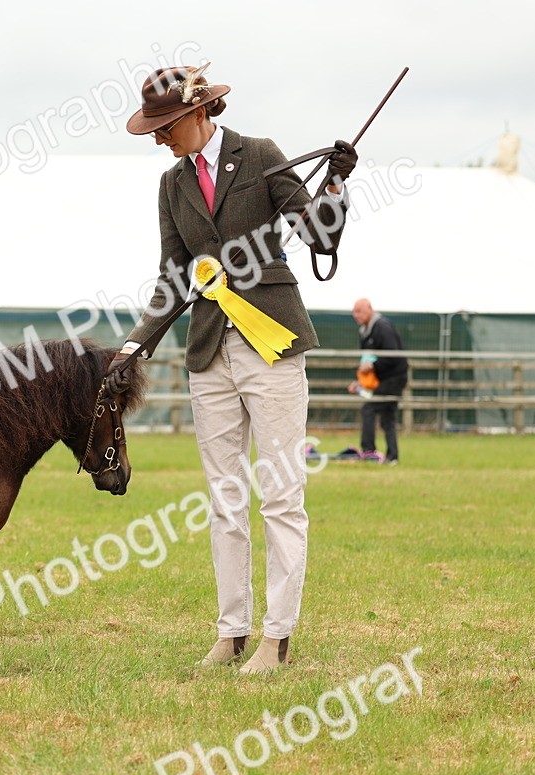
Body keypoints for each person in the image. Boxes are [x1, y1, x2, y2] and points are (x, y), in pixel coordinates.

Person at [105, 63, 356, 674]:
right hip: (208, 353)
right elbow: (173, 278)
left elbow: (319, 237)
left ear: (198, 114)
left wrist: (335, 189)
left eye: (165, 127)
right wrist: (135, 347)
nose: (159, 139)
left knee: (279, 496)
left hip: (271, 341)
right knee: (224, 499)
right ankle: (232, 631)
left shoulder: (262, 155)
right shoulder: (171, 185)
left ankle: (278, 636)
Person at [348, 298, 408, 465]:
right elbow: (368, 363)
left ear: (370, 309)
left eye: (359, 311)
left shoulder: (382, 327)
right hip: (382, 379)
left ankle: (368, 452)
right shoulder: (365, 332)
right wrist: (360, 382)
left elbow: (392, 355)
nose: (355, 315)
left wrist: (372, 366)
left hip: (394, 378)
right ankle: (392, 457)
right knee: (388, 417)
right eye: (354, 311)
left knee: (369, 408)